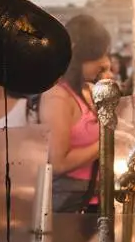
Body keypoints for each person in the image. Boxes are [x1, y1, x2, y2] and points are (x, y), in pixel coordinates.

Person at [40, 14, 110, 213]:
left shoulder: (88, 89)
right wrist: (106, 142)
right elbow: (59, 162)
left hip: (95, 196)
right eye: (99, 54)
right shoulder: (58, 97)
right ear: (81, 57)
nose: (104, 61)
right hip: (70, 202)